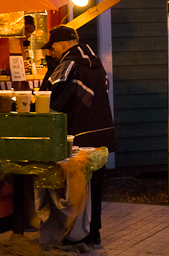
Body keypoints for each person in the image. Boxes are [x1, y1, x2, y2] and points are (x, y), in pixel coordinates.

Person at [41, 26, 117, 246]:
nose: (51, 51)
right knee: (95, 187)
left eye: (53, 46)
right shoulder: (96, 62)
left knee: (78, 189)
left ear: (64, 43)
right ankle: (94, 233)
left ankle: (78, 234)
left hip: (79, 135)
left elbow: (53, 98)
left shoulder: (68, 64)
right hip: (102, 134)